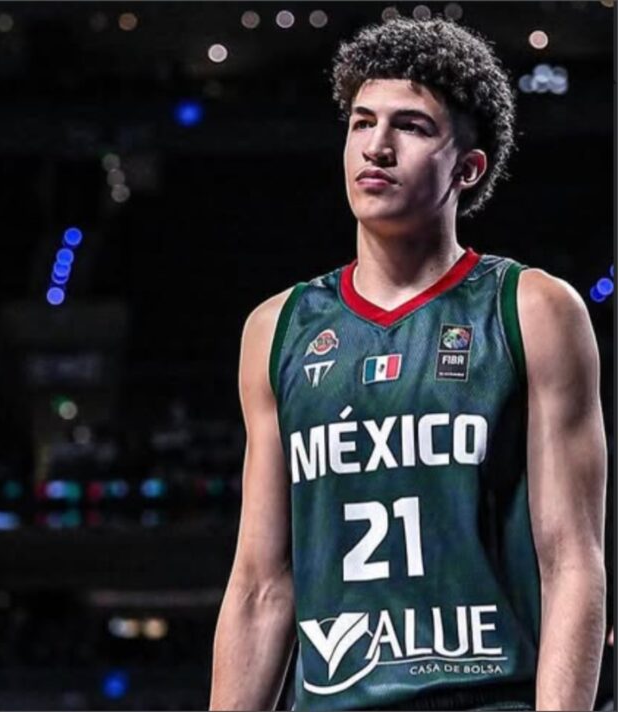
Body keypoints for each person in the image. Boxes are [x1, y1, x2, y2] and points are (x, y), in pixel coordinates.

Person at [209, 17, 607, 711]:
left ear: (467, 168)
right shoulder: (277, 328)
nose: (377, 146)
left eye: (412, 127)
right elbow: (261, 585)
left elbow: (572, 561)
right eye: (362, 122)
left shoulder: (533, 309)